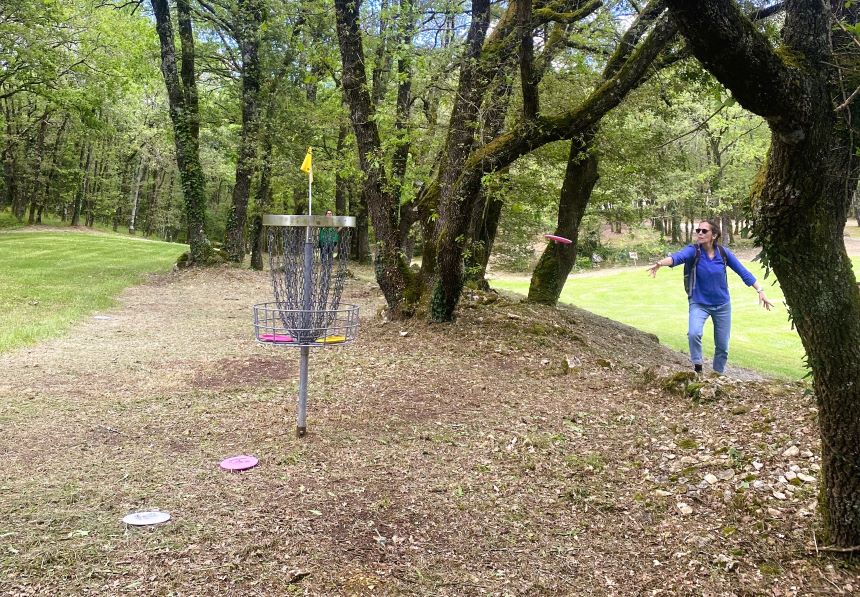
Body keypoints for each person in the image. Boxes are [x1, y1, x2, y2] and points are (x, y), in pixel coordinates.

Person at [647, 219, 774, 375]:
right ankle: (698, 366)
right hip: (699, 303)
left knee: (722, 346)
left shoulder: (723, 253)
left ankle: (717, 374)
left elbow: (743, 272)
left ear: (714, 235)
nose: (700, 233)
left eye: (704, 231)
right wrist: (660, 263)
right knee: (694, 333)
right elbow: (677, 258)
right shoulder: (693, 251)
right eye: (698, 230)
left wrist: (760, 290)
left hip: (722, 305)